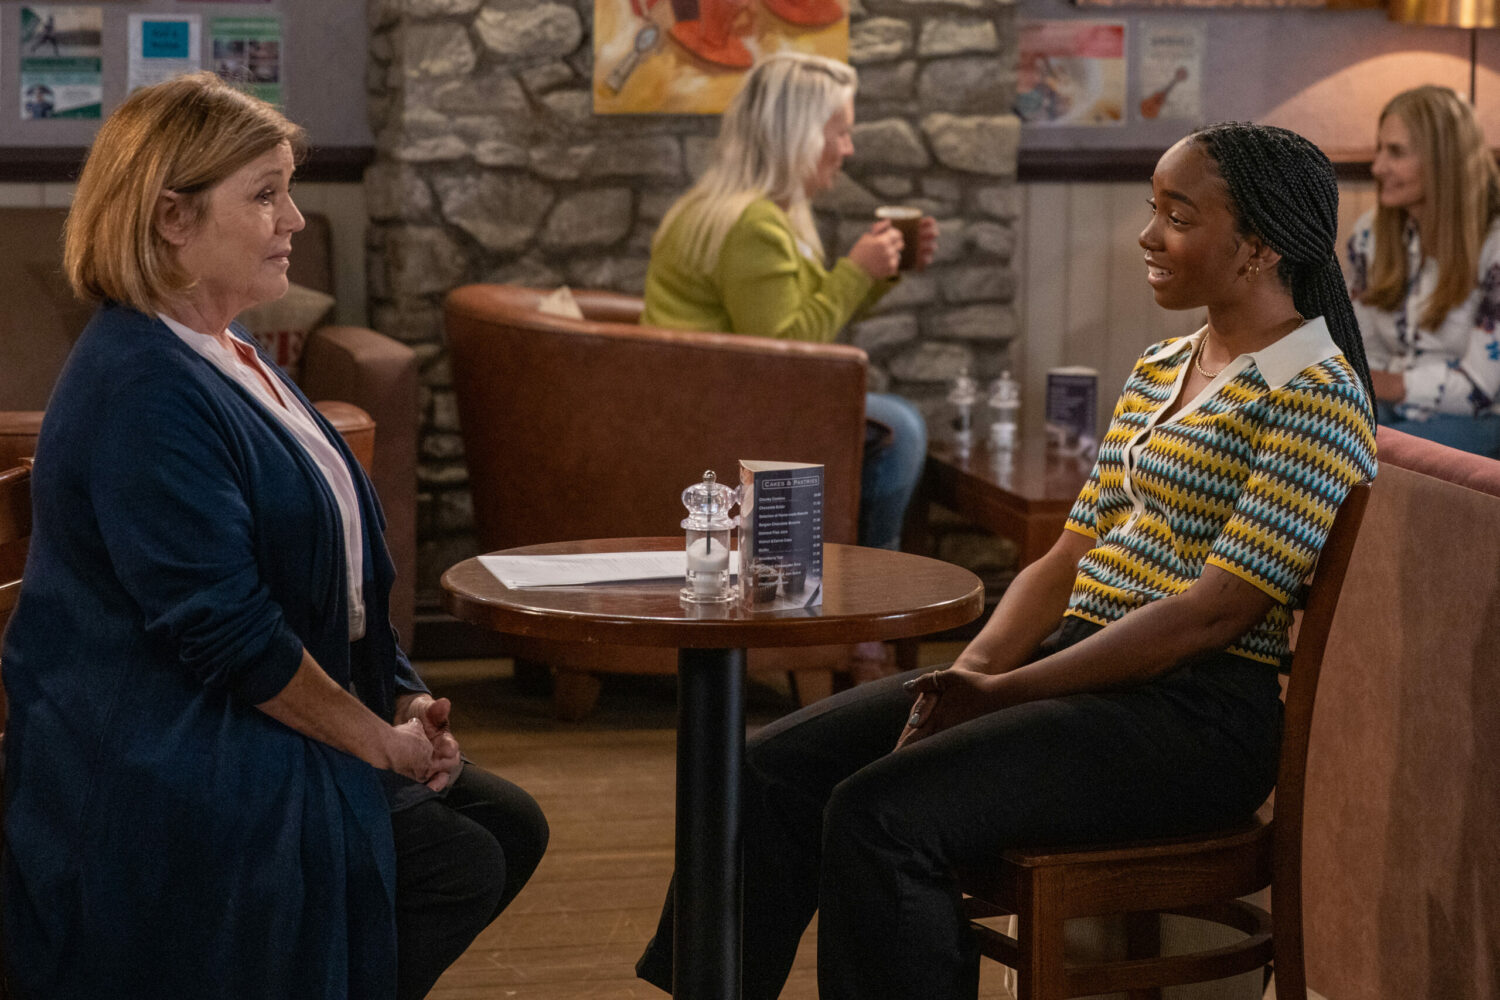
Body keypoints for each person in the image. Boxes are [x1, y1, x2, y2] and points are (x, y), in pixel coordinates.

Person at [635, 122, 1378, 999]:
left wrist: (1006, 692)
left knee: (879, 816)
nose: (1148, 235)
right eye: (1154, 209)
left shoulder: (1317, 396)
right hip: (1078, 668)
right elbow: (1069, 555)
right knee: (771, 767)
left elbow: (1213, 612)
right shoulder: (1165, 364)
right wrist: (966, 675)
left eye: (1177, 216)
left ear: (1260, 247)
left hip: (1192, 717)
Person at [0, 73, 547, 1000]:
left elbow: (336, 576)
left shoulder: (226, 348)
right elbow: (224, 629)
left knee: (508, 828)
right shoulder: (143, 386)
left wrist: (402, 700)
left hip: (226, 706)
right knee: (460, 860)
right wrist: (375, 741)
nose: (294, 217)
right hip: (161, 744)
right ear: (173, 218)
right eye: (265, 194)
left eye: (290, 186)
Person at [641, 52, 938, 552]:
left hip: (699, 397)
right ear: (798, 135)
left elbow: (803, 316)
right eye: (838, 132)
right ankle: (871, 583)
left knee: (893, 417)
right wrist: (855, 270)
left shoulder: (736, 210)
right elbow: (787, 353)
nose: (847, 148)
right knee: (901, 427)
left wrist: (876, 275)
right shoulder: (752, 224)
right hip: (723, 409)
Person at [1346, 84, 1500, 458]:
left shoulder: (1494, 248)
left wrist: (1385, 384)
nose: (1377, 167)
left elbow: (1481, 388)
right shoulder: (1369, 235)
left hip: (1477, 420)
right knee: (1319, 433)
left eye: (1395, 152)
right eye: (1380, 149)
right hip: (1390, 410)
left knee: (1372, 456)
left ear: (1443, 160)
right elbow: (1359, 351)